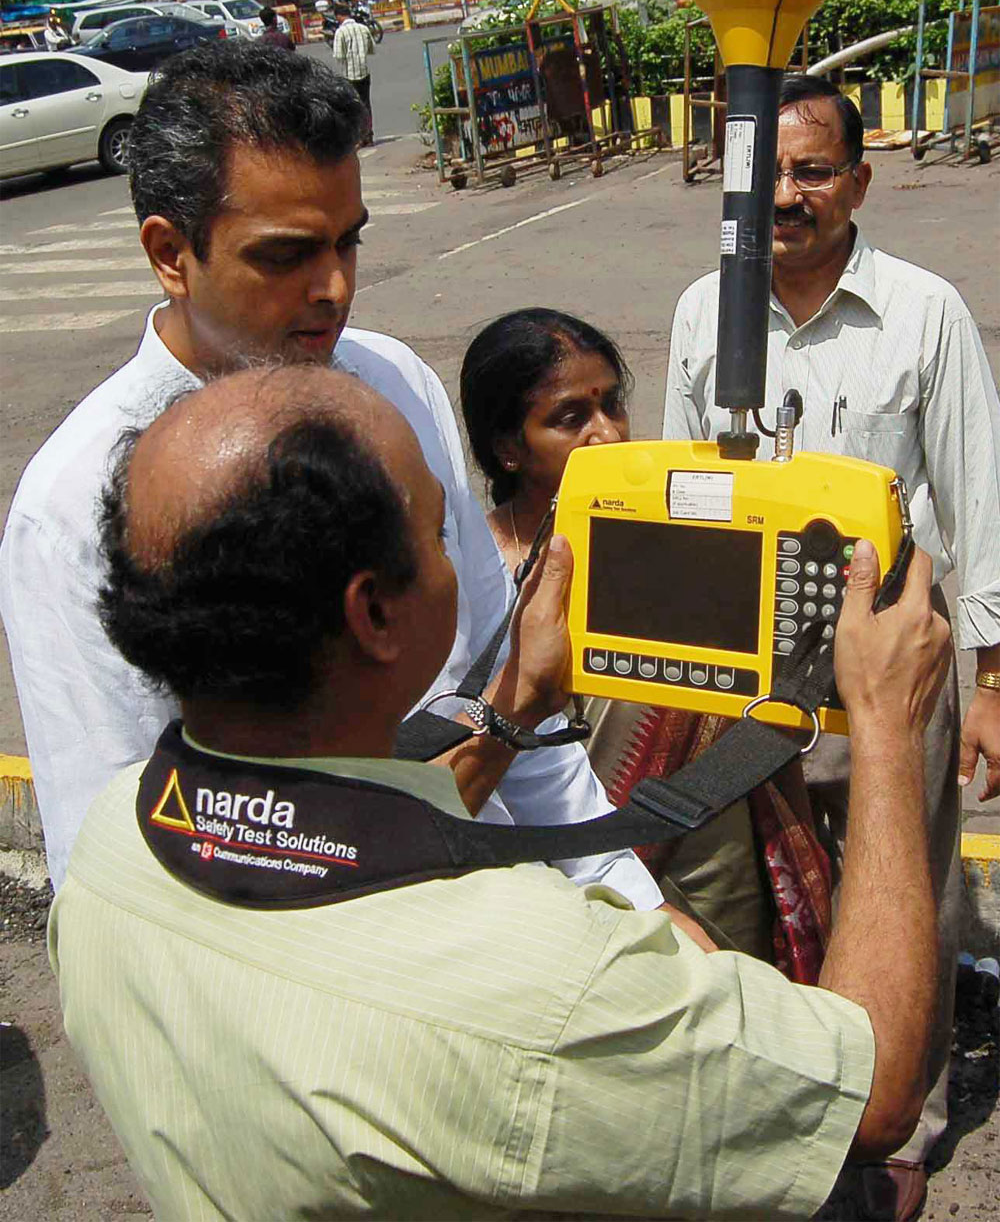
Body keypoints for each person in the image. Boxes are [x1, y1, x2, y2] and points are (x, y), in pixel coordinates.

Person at [50, 360, 951, 1220]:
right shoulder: (544, 980)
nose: (465, 557)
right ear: (374, 613)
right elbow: (870, 1095)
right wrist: (885, 724)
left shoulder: (112, 847)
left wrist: (516, 703)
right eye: (443, 534)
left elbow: (344, 847)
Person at [0, 41, 659, 916]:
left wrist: (624, 889)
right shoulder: (76, 509)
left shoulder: (393, 385)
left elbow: (511, 689)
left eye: (348, 242)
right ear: (170, 251)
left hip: (513, 902)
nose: (336, 287)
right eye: (286, 255)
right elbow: (119, 866)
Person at [662, 71, 1000, 1221]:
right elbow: (676, 491)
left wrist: (991, 683)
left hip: (890, 668)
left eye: (812, 173)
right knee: (765, 881)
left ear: (859, 180)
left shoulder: (923, 312)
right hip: (749, 666)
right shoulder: (702, 312)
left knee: (904, 878)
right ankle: (794, 1100)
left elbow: (982, 500)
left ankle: (900, 1112)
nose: (785, 198)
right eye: (764, 174)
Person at [460, 307, 830, 970]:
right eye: (571, 418)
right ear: (508, 446)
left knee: (727, 989)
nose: (607, 433)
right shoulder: (477, 573)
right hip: (560, 875)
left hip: (705, 845)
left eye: (612, 405)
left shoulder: (670, 535)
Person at [331, 5, 375, 145]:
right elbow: (371, 49)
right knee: (366, 103)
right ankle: (369, 134)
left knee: (352, 105)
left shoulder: (340, 32)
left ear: (338, 16)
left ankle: (358, 136)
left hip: (349, 73)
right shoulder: (363, 28)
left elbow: (338, 55)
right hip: (364, 71)